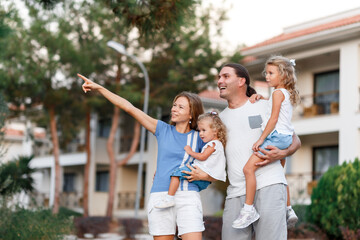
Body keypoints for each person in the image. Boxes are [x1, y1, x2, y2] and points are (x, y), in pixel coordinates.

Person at [78, 73, 206, 240]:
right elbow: (129, 107)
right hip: (161, 194)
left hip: (188, 194)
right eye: (174, 105)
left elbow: (216, 162)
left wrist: (204, 175)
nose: (174, 109)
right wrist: (100, 88)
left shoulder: (201, 137)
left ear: (191, 114)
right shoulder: (162, 129)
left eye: (180, 107)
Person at [183, 62, 301, 240]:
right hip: (236, 193)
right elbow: (213, 158)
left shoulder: (264, 105)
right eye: (219, 77)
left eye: (225, 76)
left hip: (269, 186)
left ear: (241, 81)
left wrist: (283, 153)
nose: (220, 81)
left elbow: (295, 139)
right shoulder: (219, 121)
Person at [232, 56, 300, 229]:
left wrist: (261, 139)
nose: (267, 76)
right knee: (279, 173)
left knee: (248, 169)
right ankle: (289, 208)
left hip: (275, 136)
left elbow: (273, 118)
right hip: (285, 138)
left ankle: (248, 210)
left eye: (271, 73)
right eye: (266, 73)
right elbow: (277, 109)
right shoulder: (285, 93)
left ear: (283, 75)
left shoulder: (277, 93)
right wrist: (262, 98)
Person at [154, 111, 227, 209]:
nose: (200, 133)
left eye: (204, 130)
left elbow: (202, 157)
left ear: (215, 130)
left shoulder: (213, 144)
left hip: (200, 171)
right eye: (199, 130)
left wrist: (190, 151)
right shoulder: (218, 144)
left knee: (176, 174)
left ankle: (169, 198)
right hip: (205, 179)